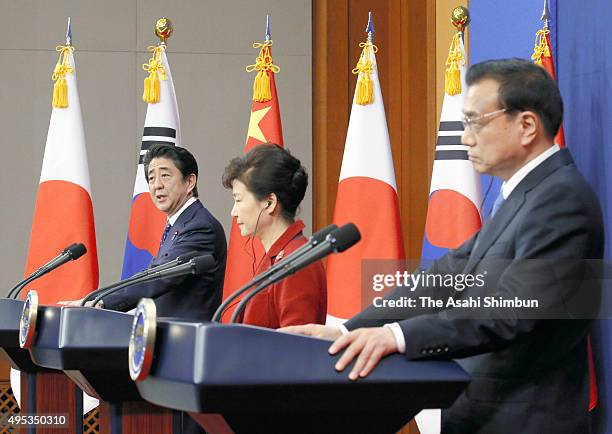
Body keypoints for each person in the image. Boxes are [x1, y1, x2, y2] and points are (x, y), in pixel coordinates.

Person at [283, 59, 604, 433]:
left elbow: (509, 311)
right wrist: (347, 331)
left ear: (527, 125)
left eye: (474, 122)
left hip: (525, 420)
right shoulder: (523, 196)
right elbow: (445, 276)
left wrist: (397, 336)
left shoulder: (561, 200)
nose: (465, 138)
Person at [61, 144, 227, 321]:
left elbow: (159, 279)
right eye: (151, 178)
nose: (157, 185)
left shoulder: (200, 226)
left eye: (165, 176)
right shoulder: (180, 224)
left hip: (189, 340)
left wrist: (100, 303)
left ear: (189, 182)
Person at [220, 143, 326, 328]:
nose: (233, 212)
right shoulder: (276, 256)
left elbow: (296, 344)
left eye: (238, 200)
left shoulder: (296, 262)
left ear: (269, 203)